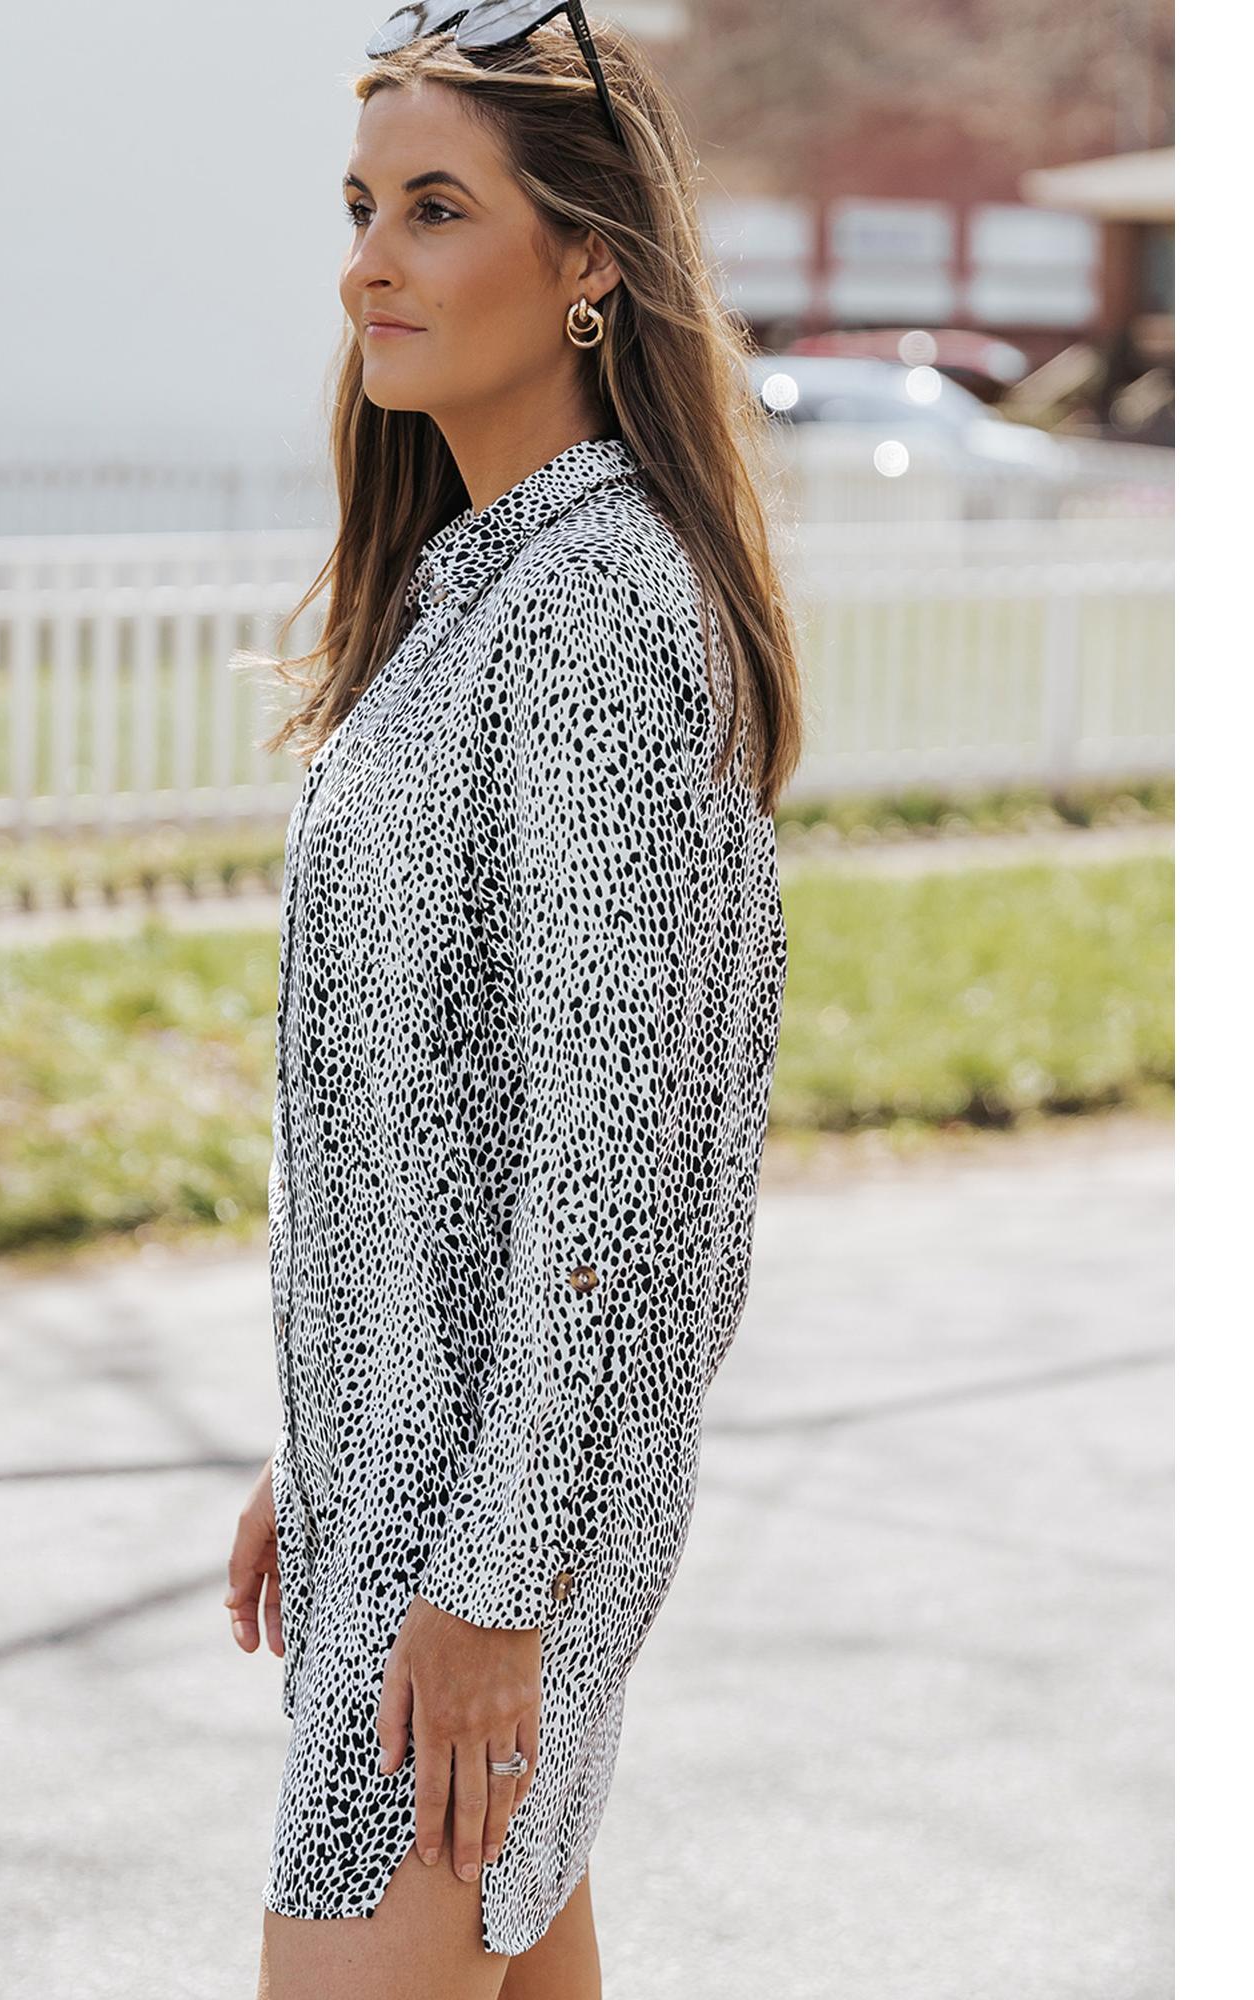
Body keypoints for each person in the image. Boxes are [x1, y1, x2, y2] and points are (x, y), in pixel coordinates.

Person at [223, 8, 802, 1996]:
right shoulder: (470, 592)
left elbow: (613, 1157)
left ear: (588, 265)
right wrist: (321, 1434)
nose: (368, 264)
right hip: (413, 1478)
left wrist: (497, 1581)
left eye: (436, 209)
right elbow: (432, 1116)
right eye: (361, 208)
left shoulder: (593, 609)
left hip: (488, 1532)